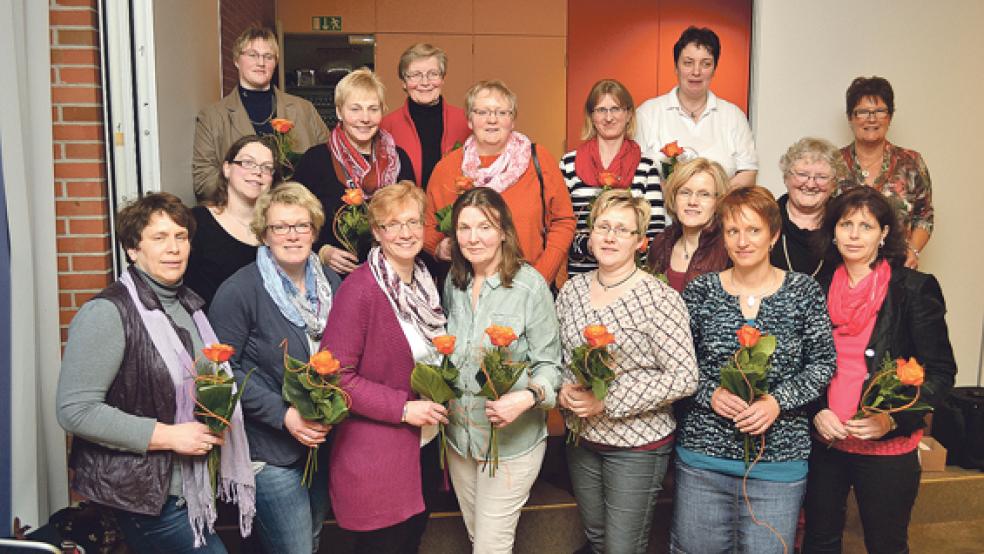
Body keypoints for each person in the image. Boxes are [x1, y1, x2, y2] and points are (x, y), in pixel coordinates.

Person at [56, 193, 253, 553]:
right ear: (133, 249)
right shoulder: (108, 312)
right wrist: (169, 436)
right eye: (159, 238)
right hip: (145, 496)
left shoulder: (189, 307)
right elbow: (75, 410)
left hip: (188, 491)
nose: (173, 248)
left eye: (181, 236)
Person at [671, 186, 836, 553]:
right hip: (704, 458)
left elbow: (823, 363)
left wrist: (777, 402)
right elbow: (680, 365)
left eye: (754, 230)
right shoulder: (701, 292)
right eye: (733, 231)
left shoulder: (803, 291)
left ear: (774, 235)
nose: (742, 241)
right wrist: (709, 393)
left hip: (777, 463)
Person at [802, 186, 956, 554]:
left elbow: (939, 372)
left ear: (884, 234)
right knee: (818, 542)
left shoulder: (914, 290)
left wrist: (891, 420)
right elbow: (800, 365)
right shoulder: (813, 288)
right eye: (846, 224)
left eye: (866, 226)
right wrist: (815, 411)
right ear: (833, 230)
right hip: (826, 442)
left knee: (886, 545)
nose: (854, 235)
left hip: (888, 450)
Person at [556, 189, 698, 553]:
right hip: (582, 440)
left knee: (623, 547)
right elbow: (555, 357)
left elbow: (684, 376)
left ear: (640, 242)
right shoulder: (571, 291)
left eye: (622, 229)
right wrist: (561, 387)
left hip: (637, 444)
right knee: (598, 538)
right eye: (603, 226)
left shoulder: (659, 298)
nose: (610, 236)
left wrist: (607, 400)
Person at [209, 183, 341, 554]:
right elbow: (224, 371)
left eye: (301, 225)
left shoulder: (332, 283)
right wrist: (284, 416)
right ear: (264, 234)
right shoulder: (240, 290)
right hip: (267, 448)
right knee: (295, 548)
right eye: (280, 227)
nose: (292, 235)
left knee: (312, 538)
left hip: (319, 444)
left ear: (315, 231)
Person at [319, 181, 449, 551]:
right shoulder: (360, 289)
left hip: (421, 450)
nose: (406, 233)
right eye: (393, 224)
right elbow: (338, 376)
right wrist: (404, 408)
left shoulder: (426, 282)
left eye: (413, 222)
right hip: (375, 460)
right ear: (377, 232)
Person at [442, 187, 562, 553]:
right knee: (482, 540)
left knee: (490, 547)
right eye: (464, 227)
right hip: (460, 440)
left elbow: (550, 365)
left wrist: (526, 397)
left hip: (511, 445)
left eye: (485, 226)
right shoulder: (454, 283)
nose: (473, 237)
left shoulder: (529, 286)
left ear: (504, 232)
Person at [424, 80, 576, 288]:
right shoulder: (447, 169)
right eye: (482, 112)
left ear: (512, 121)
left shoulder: (539, 159)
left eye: (502, 113)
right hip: (468, 288)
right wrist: (437, 247)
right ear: (469, 120)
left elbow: (563, 221)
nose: (492, 120)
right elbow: (426, 226)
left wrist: (540, 277)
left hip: (530, 283)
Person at [294, 68, 415, 276]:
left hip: (389, 272)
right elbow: (292, 219)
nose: (365, 118)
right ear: (339, 111)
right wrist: (322, 251)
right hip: (330, 276)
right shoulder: (315, 160)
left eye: (373, 109)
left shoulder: (399, 159)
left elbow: (412, 219)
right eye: (355, 109)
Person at [194, 25, 328, 202]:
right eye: (252, 55)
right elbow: (203, 179)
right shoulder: (212, 116)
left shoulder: (304, 109)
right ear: (236, 60)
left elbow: (328, 163)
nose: (261, 63)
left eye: (268, 56)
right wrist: (246, 193)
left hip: (295, 214)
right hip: (241, 218)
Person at [560, 79, 665, 278]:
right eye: (600, 110)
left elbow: (656, 232)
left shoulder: (646, 166)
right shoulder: (568, 164)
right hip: (581, 276)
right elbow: (560, 227)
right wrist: (587, 245)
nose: (608, 118)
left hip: (631, 277)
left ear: (628, 114)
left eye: (615, 109)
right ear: (591, 116)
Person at [635, 26, 757, 187]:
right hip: (661, 211)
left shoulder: (733, 116)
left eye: (706, 64)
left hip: (718, 211)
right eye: (688, 63)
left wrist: (712, 200)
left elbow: (748, 173)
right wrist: (674, 198)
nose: (696, 71)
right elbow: (635, 172)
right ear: (676, 67)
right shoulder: (648, 113)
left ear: (714, 69)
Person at [839, 76, 933, 269]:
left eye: (879, 111)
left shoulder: (911, 162)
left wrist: (913, 250)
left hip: (897, 269)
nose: (871, 119)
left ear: (889, 116)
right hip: (843, 270)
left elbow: (924, 215)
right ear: (850, 117)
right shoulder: (834, 164)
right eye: (863, 112)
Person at [185, 135, 280, 310]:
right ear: (227, 169)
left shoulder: (278, 230)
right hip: (209, 332)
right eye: (247, 163)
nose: (257, 172)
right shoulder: (196, 222)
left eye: (266, 168)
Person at [380, 43, 471, 189]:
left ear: (442, 79)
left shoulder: (466, 122)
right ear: (404, 82)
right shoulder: (386, 126)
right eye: (415, 75)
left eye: (433, 74)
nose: (425, 82)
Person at [769, 137, 847, 282]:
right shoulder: (766, 220)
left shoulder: (845, 223)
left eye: (821, 177)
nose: (810, 184)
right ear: (786, 178)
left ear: (834, 184)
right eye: (802, 174)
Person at [646, 157, 730, 292]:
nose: (692, 201)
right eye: (685, 192)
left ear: (718, 201)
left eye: (704, 194)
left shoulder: (729, 248)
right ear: (674, 198)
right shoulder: (660, 243)